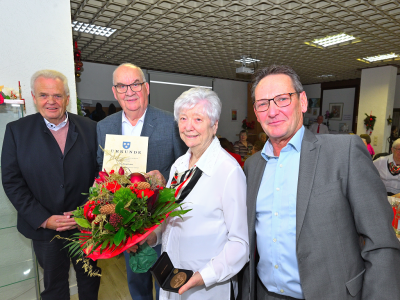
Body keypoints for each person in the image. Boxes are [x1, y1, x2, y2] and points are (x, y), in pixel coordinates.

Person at [241, 65, 400, 300]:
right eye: (263, 103)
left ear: (303, 102)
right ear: (256, 112)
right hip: (265, 294)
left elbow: (381, 243)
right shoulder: (253, 166)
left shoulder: (342, 153)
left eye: (282, 99)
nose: (272, 111)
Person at [133, 87, 249, 300]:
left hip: (207, 288)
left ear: (214, 125)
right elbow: (169, 218)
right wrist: (150, 238)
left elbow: (240, 243)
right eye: (183, 118)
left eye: (198, 119)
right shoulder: (179, 165)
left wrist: (203, 276)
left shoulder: (228, 171)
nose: (188, 127)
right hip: (171, 279)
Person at [1, 70, 101, 300]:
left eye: (57, 95)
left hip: (85, 224)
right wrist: (44, 219)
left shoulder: (90, 129)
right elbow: (12, 181)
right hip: (45, 229)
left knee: (91, 280)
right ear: (34, 98)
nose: (51, 101)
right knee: (54, 287)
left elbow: (101, 175)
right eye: (44, 95)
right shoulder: (17, 132)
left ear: (67, 98)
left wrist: (85, 212)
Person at [96, 63, 187, 300]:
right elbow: (101, 171)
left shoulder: (171, 124)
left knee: (166, 285)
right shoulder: (104, 127)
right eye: (122, 86)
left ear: (146, 87)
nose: (129, 91)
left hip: (163, 225)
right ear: (114, 92)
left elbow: (185, 171)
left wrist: (165, 180)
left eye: (135, 84)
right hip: (127, 226)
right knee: (137, 285)